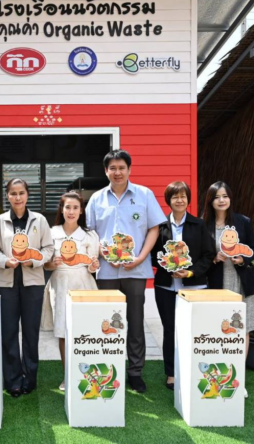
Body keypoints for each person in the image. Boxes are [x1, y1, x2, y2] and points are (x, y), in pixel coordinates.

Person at [85, 150, 166, 393]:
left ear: (129, 169)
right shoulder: (97, 199)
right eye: (113, 168)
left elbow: (154, 228)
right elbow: (90, 233)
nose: (117, 172)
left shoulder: (144, 194)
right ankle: (107, 367)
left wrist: (140, 257)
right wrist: (103, 252)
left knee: (136, 322)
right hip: (106, 272)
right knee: (106, 322)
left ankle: (135, 371)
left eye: (122, 167)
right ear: (106, 171)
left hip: (136, 270)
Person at [0, 178, 54, 397]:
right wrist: (5, 261)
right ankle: (13, 380)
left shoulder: (39, 220)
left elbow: (48, 249)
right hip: (6, 283)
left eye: (21, 193)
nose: (17, 197)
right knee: (8, 332)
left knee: (30, 332)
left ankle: (29, 378)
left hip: (33, 283)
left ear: (27, 195)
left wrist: (33, 261)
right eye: (13, 193)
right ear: (7, 195)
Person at [150, 181, 214, 390]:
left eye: (183, 196)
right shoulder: (160, 226)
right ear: (168, 200)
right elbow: (153, 254)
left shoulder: (199, 224)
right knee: (170, 330)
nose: (179, 200)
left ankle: (196, 370)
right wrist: (166, 264)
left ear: (188, 199)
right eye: (175, 196)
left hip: (194, 287)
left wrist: (190, 271)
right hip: (166, 287)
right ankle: (171, 373)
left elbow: (208, 255)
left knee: (195, 331)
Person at [202, 181, 254, 397]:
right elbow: (201, 256)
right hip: (217, 285)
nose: (222, 200)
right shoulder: (204, 225)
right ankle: (219, 375)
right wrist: (214, 258)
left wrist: (242, 259)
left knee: (242, 329)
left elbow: (253, 249)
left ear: (230, 199)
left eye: (225, 196)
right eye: (217, 197)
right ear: (210, 201)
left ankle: (238, 378)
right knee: (220, 329)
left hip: (241, 283)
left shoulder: (243, 222)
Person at [42, 191, 100, 391]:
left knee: (84, 331)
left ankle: (87, 374)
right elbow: (46, 265)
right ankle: (68, 375)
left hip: (83, 284)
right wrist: (52, 263)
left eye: (76, 207)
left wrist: (93, 265)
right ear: (62, 209)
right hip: (60, 284)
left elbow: (92, 267)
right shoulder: (51, 233)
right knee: (63, 332)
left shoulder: (90, 235)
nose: (71, 211)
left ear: (81, 211)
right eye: (68, 207)